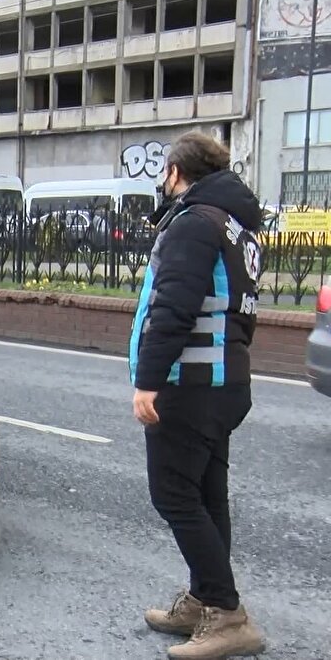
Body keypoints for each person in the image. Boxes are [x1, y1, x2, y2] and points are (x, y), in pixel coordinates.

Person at [128, 132, 265, 660]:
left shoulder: (193, 224)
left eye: (165, 170)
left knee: (174, 495)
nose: (162, 180)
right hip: (226, 381)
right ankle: (206, 597)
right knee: (207, 495)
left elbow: (172, 308)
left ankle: (227, 614)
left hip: (189, 383)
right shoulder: (237, 229)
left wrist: (149, 380)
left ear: (179, 173)